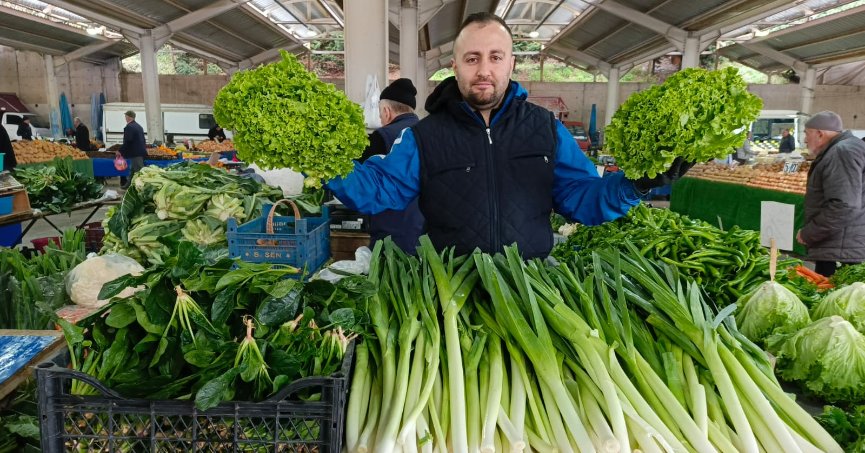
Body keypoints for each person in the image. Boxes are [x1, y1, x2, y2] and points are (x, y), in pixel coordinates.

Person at [326, 12, 689, 258]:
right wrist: (323, 161)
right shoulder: (425, 136)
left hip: (527, 291)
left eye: (495, 57)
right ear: (455, 66)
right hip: (452, 294)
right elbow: (376, 190)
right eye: (472, 59)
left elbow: (582, 199)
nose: (484, 70)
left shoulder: (546, 129)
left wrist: (635, 185)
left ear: (512, 62)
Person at [358, 78, 425, 253]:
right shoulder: (428, 132)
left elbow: (363, 183)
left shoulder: (382, 136)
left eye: (380, 114)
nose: (381, 119)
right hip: (425, 229)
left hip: (391, 230)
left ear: (387, 111)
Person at [796, 111, 865, 277]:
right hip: (845, 243)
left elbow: (844, 205)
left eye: (806, 133)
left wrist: (809, 233)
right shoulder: (850, 146)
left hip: (840, 248)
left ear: (820, 134)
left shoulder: (841, 152)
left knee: (833, 296)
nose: (805, 140)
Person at [118, 110, 147, 189]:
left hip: (135, 152)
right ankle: (128, 185)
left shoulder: (129, 127)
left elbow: (128, 140)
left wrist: (120, 151)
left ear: (128, 117)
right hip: (140, 151)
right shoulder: (139, 126)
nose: (125, 118)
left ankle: (143, 187)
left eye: (126, 116)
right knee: (132, 170)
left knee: (139, 171)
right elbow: (143, 140)